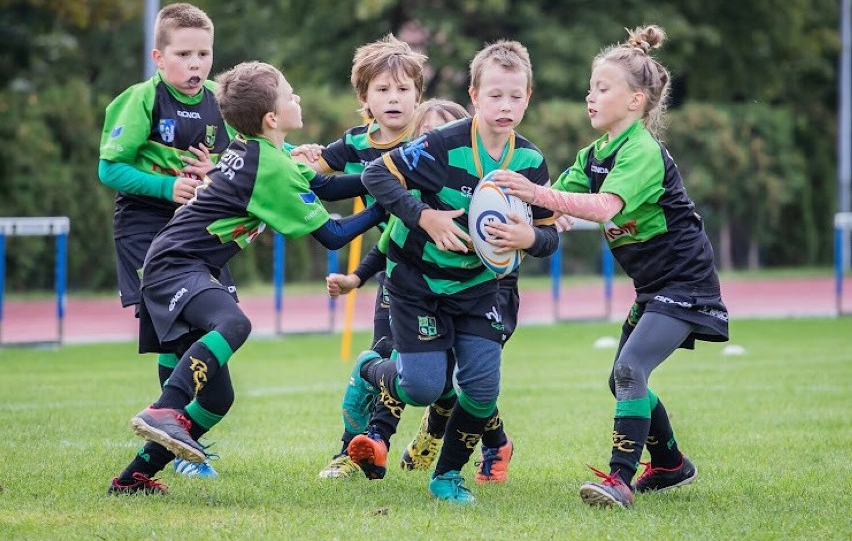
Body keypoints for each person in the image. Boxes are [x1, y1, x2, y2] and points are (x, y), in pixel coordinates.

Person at [107, 61, 387, 495]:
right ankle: (165, 409)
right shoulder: (269, 165)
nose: (298, 100)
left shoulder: (267, 153)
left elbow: (328, 188)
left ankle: (131, 479)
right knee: (235, 323)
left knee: (218, 399)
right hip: (176, 265)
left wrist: (383, 175)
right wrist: (387, 204)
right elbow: (332, 235)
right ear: (272, 118)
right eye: (291, 95)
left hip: (185, 263)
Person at [491, 25, 729, 509]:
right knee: (622, 377)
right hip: (653, 286)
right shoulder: (593, 155)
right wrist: (505, 221)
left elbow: (600, 208)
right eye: (590, 87)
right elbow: (556, 209)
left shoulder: (640, 151)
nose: (590, 96)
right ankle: (669, 465)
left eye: (603, 88)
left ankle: (619, 481)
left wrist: (533, 192)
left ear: (636, 100)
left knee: (629, 370)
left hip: (685, 281)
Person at [355, 40, 560, 504]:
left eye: (515, 96)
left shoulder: (530, 161)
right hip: (417, 284)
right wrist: (424, 217)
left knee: (482, 388)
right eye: (495, 96)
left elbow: (549, 235)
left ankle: (446, 476)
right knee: (424, 387)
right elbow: (376, 177)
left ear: (528, 96)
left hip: (480, 289)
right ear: (474, 95)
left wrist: (529, 239)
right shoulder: (440, 145)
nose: (505, 106)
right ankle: (370, 367)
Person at [98, 2, 236, 479]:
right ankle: (174, 441)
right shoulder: (141, 99)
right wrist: (166, 186)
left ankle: (177, 438)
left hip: (201, 226)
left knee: (210, 328)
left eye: (204, 54)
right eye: (183, 54)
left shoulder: (224, 99)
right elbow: (109, 167)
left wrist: (214, 173)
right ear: (159, 57)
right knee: (173, 330)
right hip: (145, 224)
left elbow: (242, 160)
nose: (196, 64)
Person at [290, 34, 428, 479]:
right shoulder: (356, 142)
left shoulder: (433, 137)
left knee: (463, 369)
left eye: (403, 89)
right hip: (396, 269)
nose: (394, 98)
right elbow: (312, 174)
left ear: (418, 96)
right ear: (364, 97)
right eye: (382, 90)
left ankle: (453, 439)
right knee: (385, 354)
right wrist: (297, 155)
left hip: (453, 272)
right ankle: (356, 450)